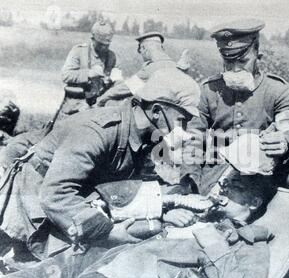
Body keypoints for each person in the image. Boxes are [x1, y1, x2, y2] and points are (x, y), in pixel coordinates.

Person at [0, 144, 275, 278]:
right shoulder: (193, 214)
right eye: (224, 182)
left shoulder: (251, 245)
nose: (222, 188)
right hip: (91, 265)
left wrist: (208, 234)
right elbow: (130, 230)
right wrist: (165, 216)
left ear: (254, 202)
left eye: (235, 185)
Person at [0, 68, 200, 262]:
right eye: (182, 120)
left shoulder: (145, 135)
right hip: (34, 204)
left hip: (76, 201)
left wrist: (164, 210)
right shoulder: (97, 131)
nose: (185, 130)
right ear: (156, 111)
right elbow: (56, 194)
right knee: (45, 276)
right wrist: (108, 232)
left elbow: (137, 186)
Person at [185, 19, 289, 192]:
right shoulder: (209, 90)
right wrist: (190, 181)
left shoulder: (276, 89)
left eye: (242, 61)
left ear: (258, 55)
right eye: (228, 62)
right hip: (220, 171)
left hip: (264, 173)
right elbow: (193, 137)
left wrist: (286, 144)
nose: (235, 69)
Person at [95, 32, 189, 107]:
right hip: (173, 113)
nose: (142, 55)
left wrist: (100, 101)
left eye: (141, 51)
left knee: (110, 103)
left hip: (155, 116)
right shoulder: (173, 65)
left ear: (144, 48)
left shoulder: (151, 69)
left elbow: (123, 90)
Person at [59, 20, 122, 119]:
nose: (104, 48)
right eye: (101, 44)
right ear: (93, 39)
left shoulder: (112, 57)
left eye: (107, 45)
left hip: (100, 102)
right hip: (77, 102)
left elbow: (118, 81)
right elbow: (65, 75)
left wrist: (112, 80)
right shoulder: (78, 51)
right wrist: (88, 74)